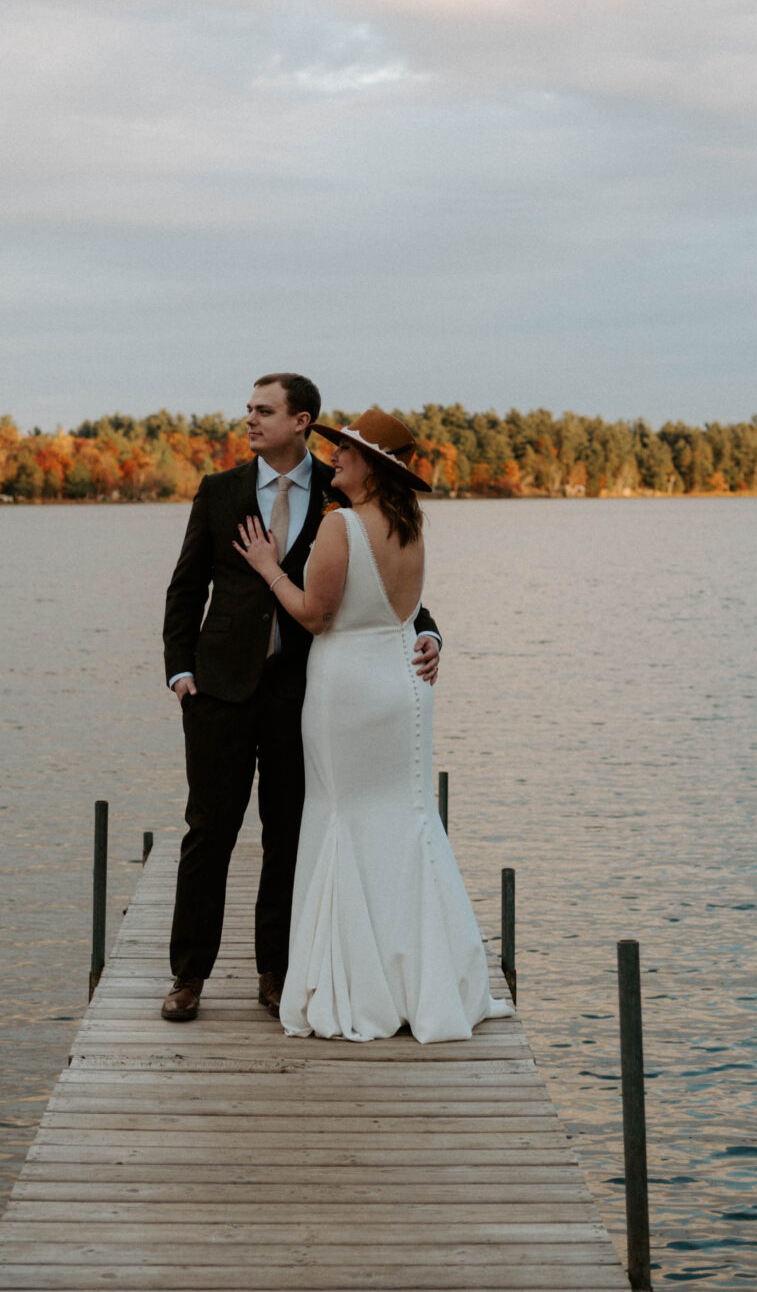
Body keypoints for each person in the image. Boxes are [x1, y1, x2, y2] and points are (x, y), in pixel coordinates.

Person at [159, 375, 443, 1024]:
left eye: (264, 410)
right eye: (249, 410)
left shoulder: (337, 490)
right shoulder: (219, 490)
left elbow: (381, 587)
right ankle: (189, 973)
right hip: (219, 690)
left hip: (305, 692)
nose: (250, 420)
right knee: (209, 832)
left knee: (289, 834)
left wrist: (426, 630)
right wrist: (180, 671)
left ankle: (276, 971)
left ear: (300, 421)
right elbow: (186, 587)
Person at [234, 408, 510, 1043]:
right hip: (405, 686)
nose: (336, 459)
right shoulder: (411, 529)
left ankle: (357, 982)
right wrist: (432, 636)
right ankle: (428, 978)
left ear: (374, 467)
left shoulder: (341, 527)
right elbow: (409, 614)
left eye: (348, 453)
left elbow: (314, 615)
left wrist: (267, 566)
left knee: (343, 818)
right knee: (407, 818)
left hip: (348, 692)